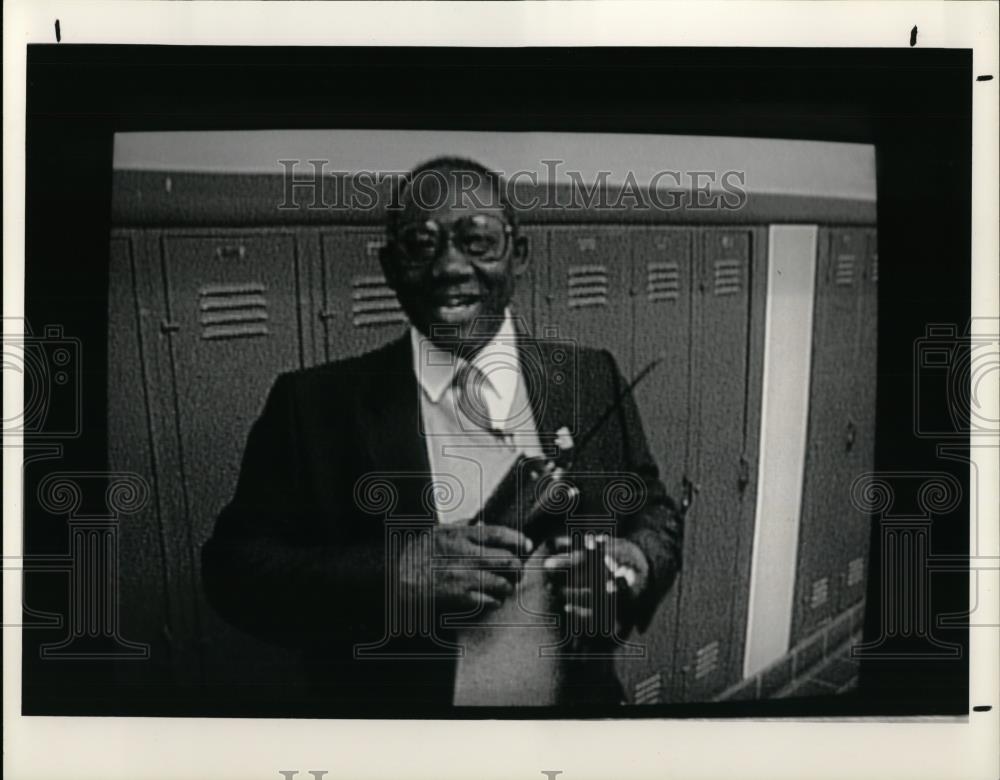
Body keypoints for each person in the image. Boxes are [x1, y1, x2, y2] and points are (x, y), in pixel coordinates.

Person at [201, 156, 683, 712]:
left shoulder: (590, 378)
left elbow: (654, 510)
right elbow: (234, 573)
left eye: (478, 241)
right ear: (390, 267)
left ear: (519, 255)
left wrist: (634, 563)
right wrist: (393, 578)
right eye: (421, 243)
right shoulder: (313, 408)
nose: (451, 265)